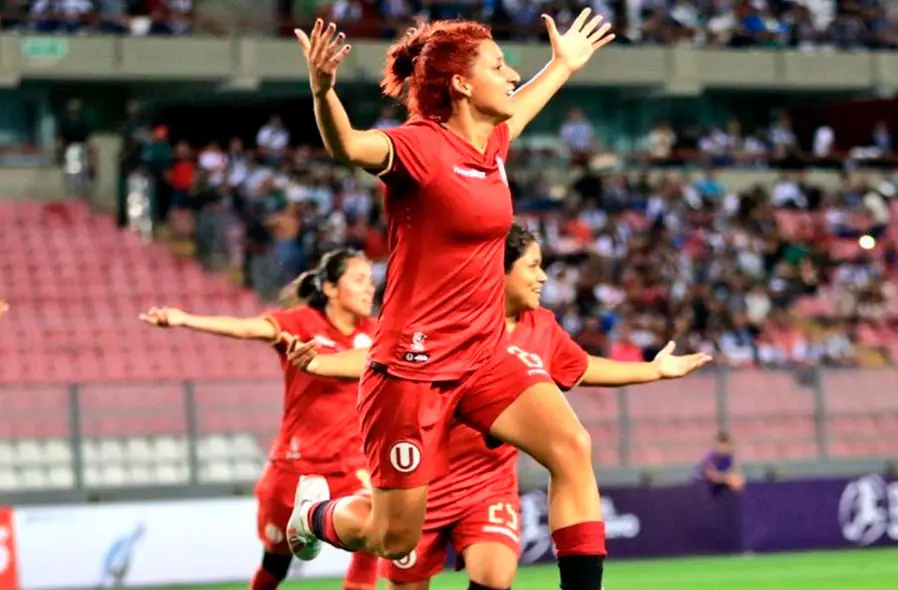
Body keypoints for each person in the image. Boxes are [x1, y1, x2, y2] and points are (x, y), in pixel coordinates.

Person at [288, 12, 618, 590]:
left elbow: (523, 104)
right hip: (414, 368)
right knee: (391, 538)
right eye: (498, 65)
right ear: (462, 84)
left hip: (484, 355)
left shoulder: (491, 144)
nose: (512, 73)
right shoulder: (420, 147)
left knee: (571, 447)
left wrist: (563, 64)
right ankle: (315, 513)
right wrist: (323, 90)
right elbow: (348, 147)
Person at [287, 225, 713, 589]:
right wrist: (323, 363)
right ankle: (313, 513)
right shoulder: (452, 325)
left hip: (486, 486)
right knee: (391, 541)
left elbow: (582, 368)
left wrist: (653, 370)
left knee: (495, 575)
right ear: (498, 271)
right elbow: (386, 357)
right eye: (533, 266)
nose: (543, 278)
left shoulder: (541, 327)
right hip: (424, 484)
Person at [138, 249, 381, 590]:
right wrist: (184, 319)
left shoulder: (378, 333)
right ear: (329, 288)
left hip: (349, 465)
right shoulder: (300, 324)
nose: (369, 289)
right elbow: (246, 328)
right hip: (295, 470)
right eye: (358, 280)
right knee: (275, 566)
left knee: (373, 537)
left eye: (370, 281)